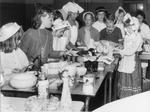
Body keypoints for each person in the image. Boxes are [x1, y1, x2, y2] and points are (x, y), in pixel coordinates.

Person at [116, 13, 143, 98]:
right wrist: (122, 48)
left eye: (130, 27)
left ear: (135, 27)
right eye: (127, 27)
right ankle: (124, 98)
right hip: (126, 60)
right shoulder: (127, 36)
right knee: (124, 78)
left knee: (132, 79)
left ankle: (133, 98)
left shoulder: (138, 37)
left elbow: (131, 50)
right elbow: (126, 47)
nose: (129, 29)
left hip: (133, 60)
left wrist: (121, 52)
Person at [136, 10, 150, 79]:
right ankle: (136, 79)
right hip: (135, 47)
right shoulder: (133, 26)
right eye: (137, 17)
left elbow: (149, 39)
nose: (139, 19)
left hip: (144, 47)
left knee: (144, 63)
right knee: (135, 63)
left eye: (140, 18)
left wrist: (144, 38)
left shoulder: (146, 27)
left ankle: (143, 77)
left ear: (143, 18)